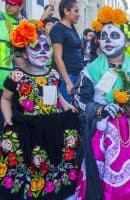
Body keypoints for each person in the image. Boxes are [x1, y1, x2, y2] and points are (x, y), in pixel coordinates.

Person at [74, 6, 130, 200]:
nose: (108, 41)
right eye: (104, 36)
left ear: (126, 40)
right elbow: (80, 100)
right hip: (101, 133)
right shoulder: (92, 70)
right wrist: (100, 110)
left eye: (114, 35)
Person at [0, 21, 80, 199]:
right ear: (24, 51)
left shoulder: (53, 74)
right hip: (27, 129)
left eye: (46, 47)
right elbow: (5, 99)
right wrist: (7, 118)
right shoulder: (16, 76)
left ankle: (48, 191)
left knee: (50, 161)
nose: (42, 51)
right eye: (35, 47)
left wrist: (65, 105)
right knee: (30, 163)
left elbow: (55, 95)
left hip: (50, 128)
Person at [0, 0, 26, 134]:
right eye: (7, 3)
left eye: (13, 4)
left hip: (17, 83)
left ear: (21, 5)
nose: (8, 6)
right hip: (1, 81)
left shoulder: (26, 25)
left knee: (12, 125)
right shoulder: (1, 18)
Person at [50, 0, 83, 103]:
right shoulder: (58, 29)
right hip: (66, 77)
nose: (79, 14)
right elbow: (57, 57)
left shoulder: (72, 28)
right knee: (65, 112)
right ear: (66, 11)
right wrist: (68, 81)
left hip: (76, 75)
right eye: (76, 11)